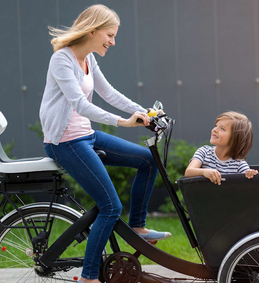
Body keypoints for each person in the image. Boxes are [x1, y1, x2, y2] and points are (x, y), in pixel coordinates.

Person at [39, 4, 170, 283]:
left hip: (85, 136)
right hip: (65, 142)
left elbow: (108, 92)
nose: (112, 42)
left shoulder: (88, 58)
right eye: (109, 35)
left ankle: (138, 227)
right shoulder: (62, 59)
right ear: (93, 30)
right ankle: (89, 277)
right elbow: (79, 104)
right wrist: (123, 123)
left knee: (147, 160)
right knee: (110, 206)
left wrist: (145, 112)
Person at [185, 111, 258, 185]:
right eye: (216, 125)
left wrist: (249, 174)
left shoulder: (239, 163)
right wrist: (204, 172)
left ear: (235, 138)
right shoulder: (204, 152)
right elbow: (188, 172)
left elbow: (248, 182)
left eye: (222, 129)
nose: (215, 130)